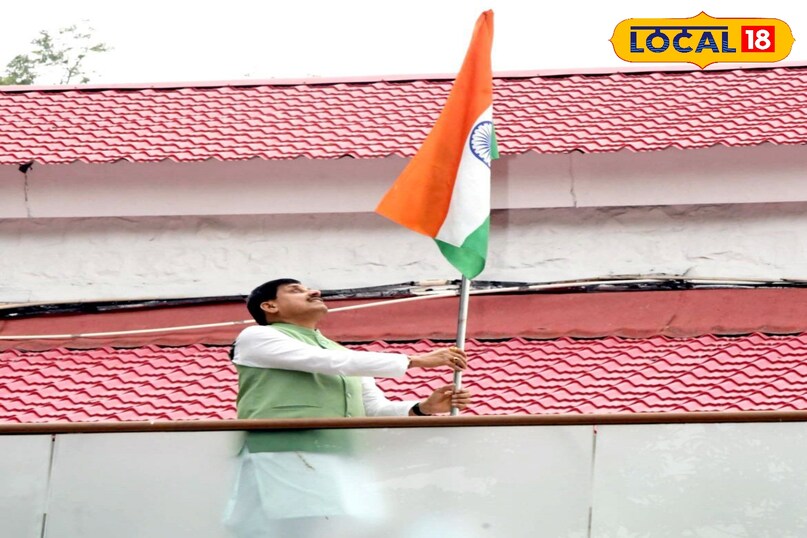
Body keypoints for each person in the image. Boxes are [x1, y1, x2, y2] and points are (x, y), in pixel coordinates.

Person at [223, 278, 472, 536]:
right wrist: (414, 360)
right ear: (269, 306)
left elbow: (373, 410)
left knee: (344, 528)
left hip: (340, 459)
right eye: (296, 290)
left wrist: (424, 407)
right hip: (284, 454)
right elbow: (324, 361)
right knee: (299, 527)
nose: (315, 291)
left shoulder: (343, 354)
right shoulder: (257, 337)